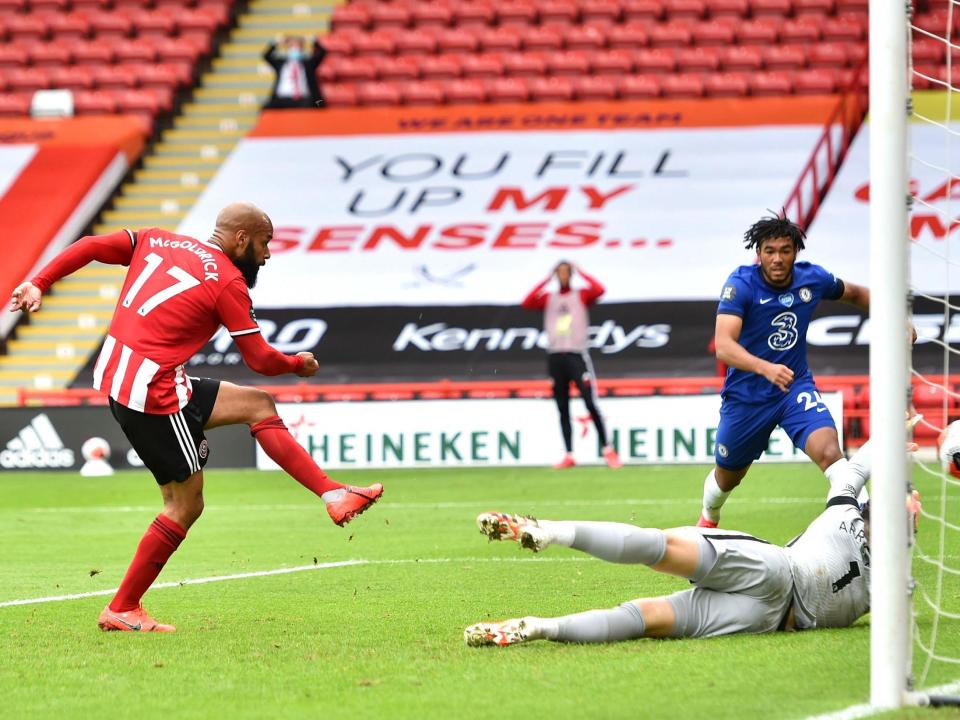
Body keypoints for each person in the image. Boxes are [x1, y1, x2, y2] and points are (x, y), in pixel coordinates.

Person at [9, 202, 383, 633]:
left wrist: (40, 282)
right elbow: (260, 358)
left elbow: (93, 245)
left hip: (127, 372)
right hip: (152, 393)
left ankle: (333, 494)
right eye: (264, 244)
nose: (266, 255)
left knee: (257, 404)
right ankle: (123, 607)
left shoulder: (157, 238)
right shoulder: (228, 283)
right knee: (185, 503)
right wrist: (298, 364)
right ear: (241, 239)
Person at [464, 439, 919, 647]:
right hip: (777, 577)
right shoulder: (851, 517)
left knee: (646, 615)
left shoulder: (886, 576)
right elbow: (856, 469)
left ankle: (540, 626)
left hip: (767, 613)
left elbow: (900, 607)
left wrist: (905, 507)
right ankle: (549, 533)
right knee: (659, 550)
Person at [698, 213, 873, 528]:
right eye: (769, 251)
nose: (777, 258)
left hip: (794, 388)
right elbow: (724, 345)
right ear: (759, 253)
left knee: (830, 451)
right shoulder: (741, 285)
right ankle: (709, 518)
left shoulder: (813, 279)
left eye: (785, 250)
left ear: (796, 252)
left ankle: (868, 517)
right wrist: (764, 368)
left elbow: (857, 294)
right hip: (746, 397)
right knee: (727, 478)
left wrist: (897, 316)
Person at [522, 262, 622, 470]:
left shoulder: (581, 295)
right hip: (555, 356)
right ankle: (569, 453)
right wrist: (546, 279)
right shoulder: (550, 298)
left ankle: (607, 448)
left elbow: (600, 290)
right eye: (560, 273)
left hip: (576, 355)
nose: (564, 276)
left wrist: (582, 272)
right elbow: (528, 301)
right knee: (562, 406)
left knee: (589, 402)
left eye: (567, 272)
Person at [263, 35, 326, 109]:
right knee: (266, 110)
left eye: (297, 46)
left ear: (302, 48)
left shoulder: (308, 63)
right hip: (281, 99)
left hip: (304, 99)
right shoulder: (280, 63)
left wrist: (313, 41)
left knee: (316, 108)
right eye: (291, 46)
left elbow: (322, 53)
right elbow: (266, 56)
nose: (294, 49)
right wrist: (277, 42)